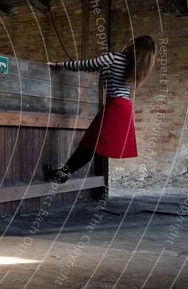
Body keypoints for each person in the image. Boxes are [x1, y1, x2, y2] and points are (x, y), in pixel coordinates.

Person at [44, 36, 157, 183]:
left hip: (115, 106)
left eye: (132, 40)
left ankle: (63, 175)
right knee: (92, 145)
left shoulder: (115, 57)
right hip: (123, 107)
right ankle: (63, 174)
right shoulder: (136, 65)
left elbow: (88, 64)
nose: (129, 39)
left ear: (134, 44)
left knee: (90, 144)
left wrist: (59, 65)